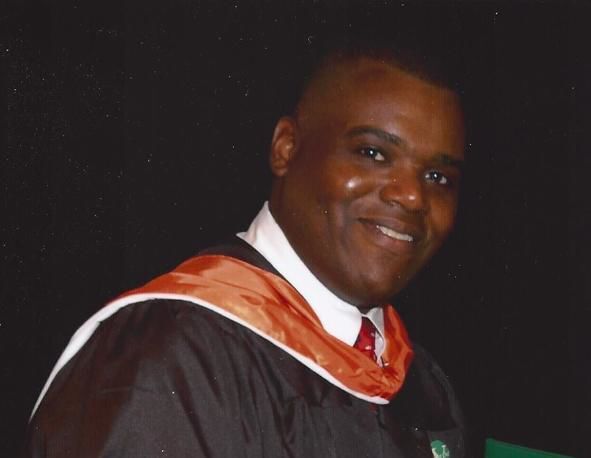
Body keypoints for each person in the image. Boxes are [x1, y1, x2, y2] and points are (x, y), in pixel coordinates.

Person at [23, 27, 467, 458]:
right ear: (286, 148)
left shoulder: (421, 386)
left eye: (438, 177)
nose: (412, 196)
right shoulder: (168, 356)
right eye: (373, 153)